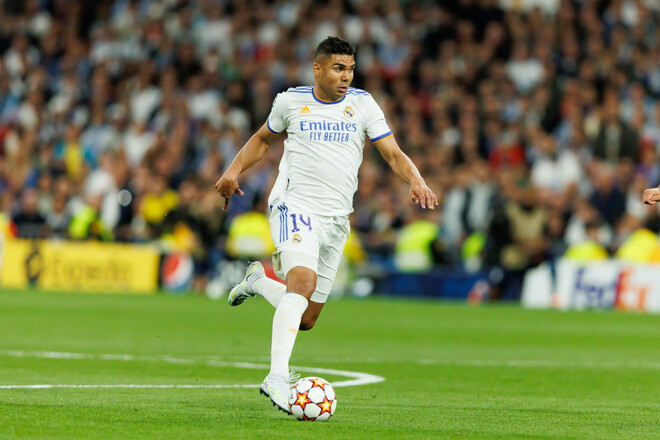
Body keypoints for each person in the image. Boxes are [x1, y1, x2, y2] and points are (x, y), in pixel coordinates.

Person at [214, 36, 437, 414]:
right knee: (302, 283)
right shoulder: (290, 102)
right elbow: (262, 139)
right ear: (317, 69)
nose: (346, 76)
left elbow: (393, 154)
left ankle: (257, 281)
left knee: (306, 318)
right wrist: (233, 170)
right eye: (338, 68)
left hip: (336, 219)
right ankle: (277, 378)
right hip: (294, 206)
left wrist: (415, 179)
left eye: (350, 69)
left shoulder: (363, 105)